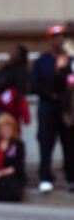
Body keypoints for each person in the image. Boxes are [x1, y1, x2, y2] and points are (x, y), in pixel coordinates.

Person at [31, 25, 74, 193]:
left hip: (64, 108)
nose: (59, 40)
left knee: (69, 144)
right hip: (47, 107)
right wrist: (56, 70)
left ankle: (71, 178)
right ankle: (45, 178)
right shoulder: (42, 61)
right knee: (45, 142)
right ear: (50, 40)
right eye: (55, 37)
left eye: (61, 37)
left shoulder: (69, 60)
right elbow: (36, 84)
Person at [0, 45, 30, 129]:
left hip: (7, 109)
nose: (11, 53)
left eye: (15, 52)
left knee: (7, 133)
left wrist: (9, 106)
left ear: (20, 56)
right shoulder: (7, 67)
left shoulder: (21, 71)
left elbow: (20, 92)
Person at [53, 51, 74, 191]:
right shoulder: (65, 62)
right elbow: (56, 86)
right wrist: (58, 69)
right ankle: (71, 179)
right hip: (69, 111)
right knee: (69, 146)